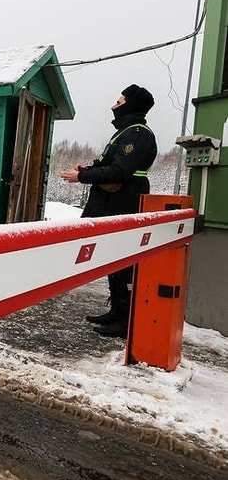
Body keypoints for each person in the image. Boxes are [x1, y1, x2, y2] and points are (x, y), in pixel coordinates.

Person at [60, 84, 157, 339]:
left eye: (120, 101)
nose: (114, 105)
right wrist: (88, 169)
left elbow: (119, 172)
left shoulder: (137, 134)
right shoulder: (125, 132)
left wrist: (82, 177)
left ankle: (125, 320)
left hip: (123, 204)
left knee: (124, 262)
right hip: (112, 204)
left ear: (130, 105)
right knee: (115, 259)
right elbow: (110, 165)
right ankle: (116, 311)